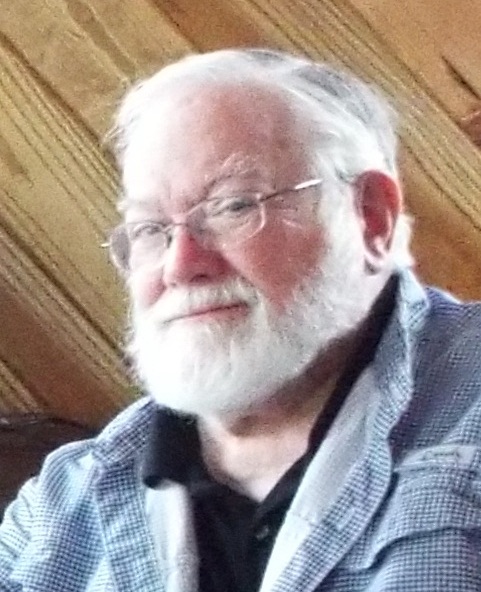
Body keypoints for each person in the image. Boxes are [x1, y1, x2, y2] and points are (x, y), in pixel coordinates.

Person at [1, 48, 481, 592]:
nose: (181, 265)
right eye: (150, 229)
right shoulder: (61, 507)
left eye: (233, 207)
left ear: (371, 218)